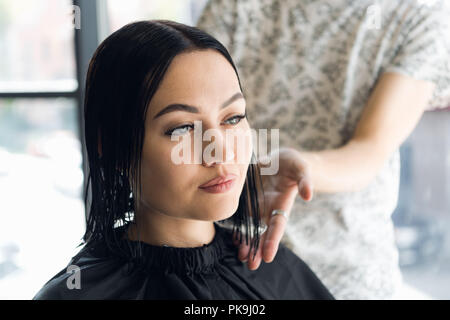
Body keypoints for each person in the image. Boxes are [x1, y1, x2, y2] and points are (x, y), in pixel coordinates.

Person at [32, 20, 334, 300]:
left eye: (233, 118)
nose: (222, 151)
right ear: (111, 147)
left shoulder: (277, 273)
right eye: (182, 128)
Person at [196, 0, 450, 299]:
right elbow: (192, 112)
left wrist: (291, 168)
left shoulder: (416, 14)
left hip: (343, 271)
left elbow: (368, 151)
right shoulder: (235, 5)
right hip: (228, 260)